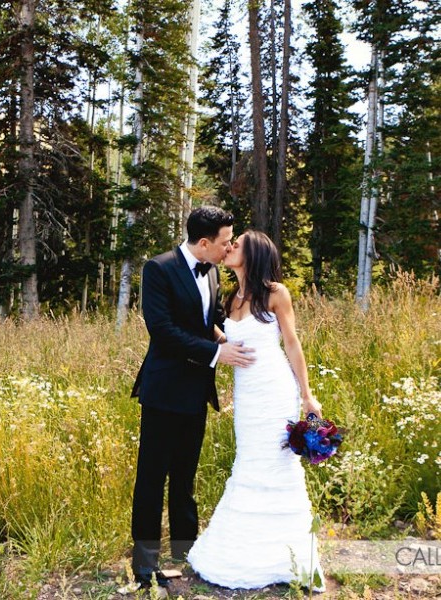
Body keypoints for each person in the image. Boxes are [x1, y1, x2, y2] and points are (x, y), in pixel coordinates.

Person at [187, 230, 326, 592]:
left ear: (254, 254)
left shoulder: (276, 293)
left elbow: (292, 344)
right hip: (248, 395)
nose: (230, 247)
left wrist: (307, 396)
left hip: (275, 390)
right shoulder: (231, 297)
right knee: (249, 462)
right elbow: (231, 340)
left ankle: (290, 559)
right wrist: (212, 337)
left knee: (277, 465)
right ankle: (247, 553)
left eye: (237, 244)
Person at [130, 206, 256, 591]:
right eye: (225, 241)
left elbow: (210, 321)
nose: (229, 247)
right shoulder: (159, 268)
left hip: (196, 391)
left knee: (185, 477)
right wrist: (217, 353)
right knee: (152, 479)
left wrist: (230, 341)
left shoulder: (213, 270)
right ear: (204, 242)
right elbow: (163, 331)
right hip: (164, 390)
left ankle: (186, 553)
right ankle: (145, 566)